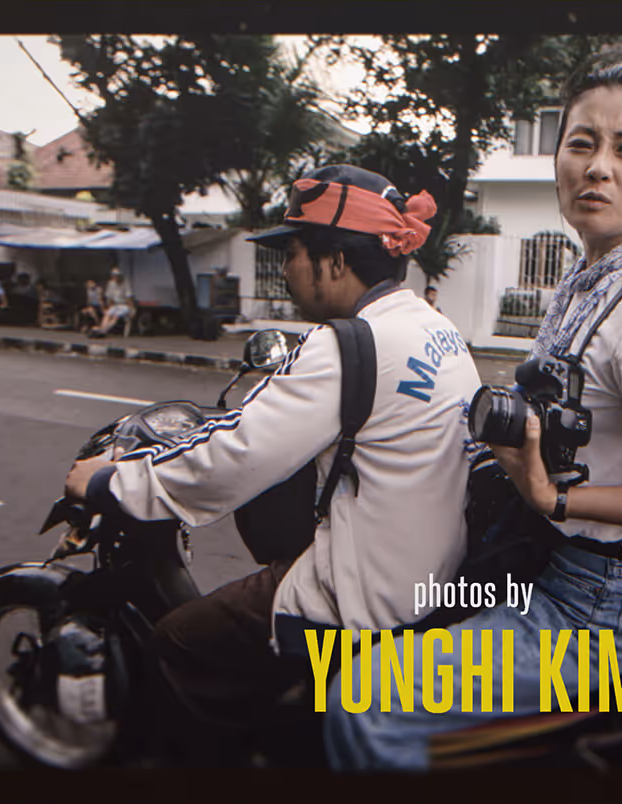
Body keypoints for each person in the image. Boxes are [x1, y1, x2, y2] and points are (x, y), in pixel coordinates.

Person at [323, 61, 622, 771]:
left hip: (594, 607)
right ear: (557, 158)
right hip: (542, 559)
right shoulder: (593, 279)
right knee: (375, 612)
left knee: (365, 694)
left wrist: (556, 496)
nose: (598, 167)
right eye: (581, 143)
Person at [59, 164, 480, 762]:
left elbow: (235, 455)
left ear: (335, 261)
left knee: (177, 640)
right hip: (432, 577)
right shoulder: (438, 330)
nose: (286, 270)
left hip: (366, 595)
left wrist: (113, 482)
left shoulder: (346, 344)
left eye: (293, 253)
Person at [90, 266, 134, 337]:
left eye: (116, 275)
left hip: (124, 305)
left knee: (115, 316)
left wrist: (131, 308)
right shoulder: (110, 284)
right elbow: (109, 298)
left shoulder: (125, 283)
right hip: (115, 305)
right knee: (107, 314)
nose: (115, 277)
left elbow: (128, 297)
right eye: (113, 275)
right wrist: (108, 307)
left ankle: (102, 331)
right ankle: (102, 330)